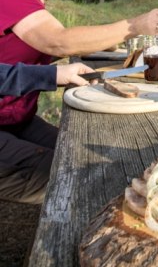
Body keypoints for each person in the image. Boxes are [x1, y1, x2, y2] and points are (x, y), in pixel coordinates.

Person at [0, 0, 158, 203]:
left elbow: (47, 44)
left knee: (82, 151)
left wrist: (100, 44)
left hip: (18, 120)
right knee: (77, 176)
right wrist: (134, 26)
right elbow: (58, 41)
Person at [0, 62, 94, 204]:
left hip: (15, 118)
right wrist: (50, 74)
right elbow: (49, 43)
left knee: (83, 154)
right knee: (78, 177)